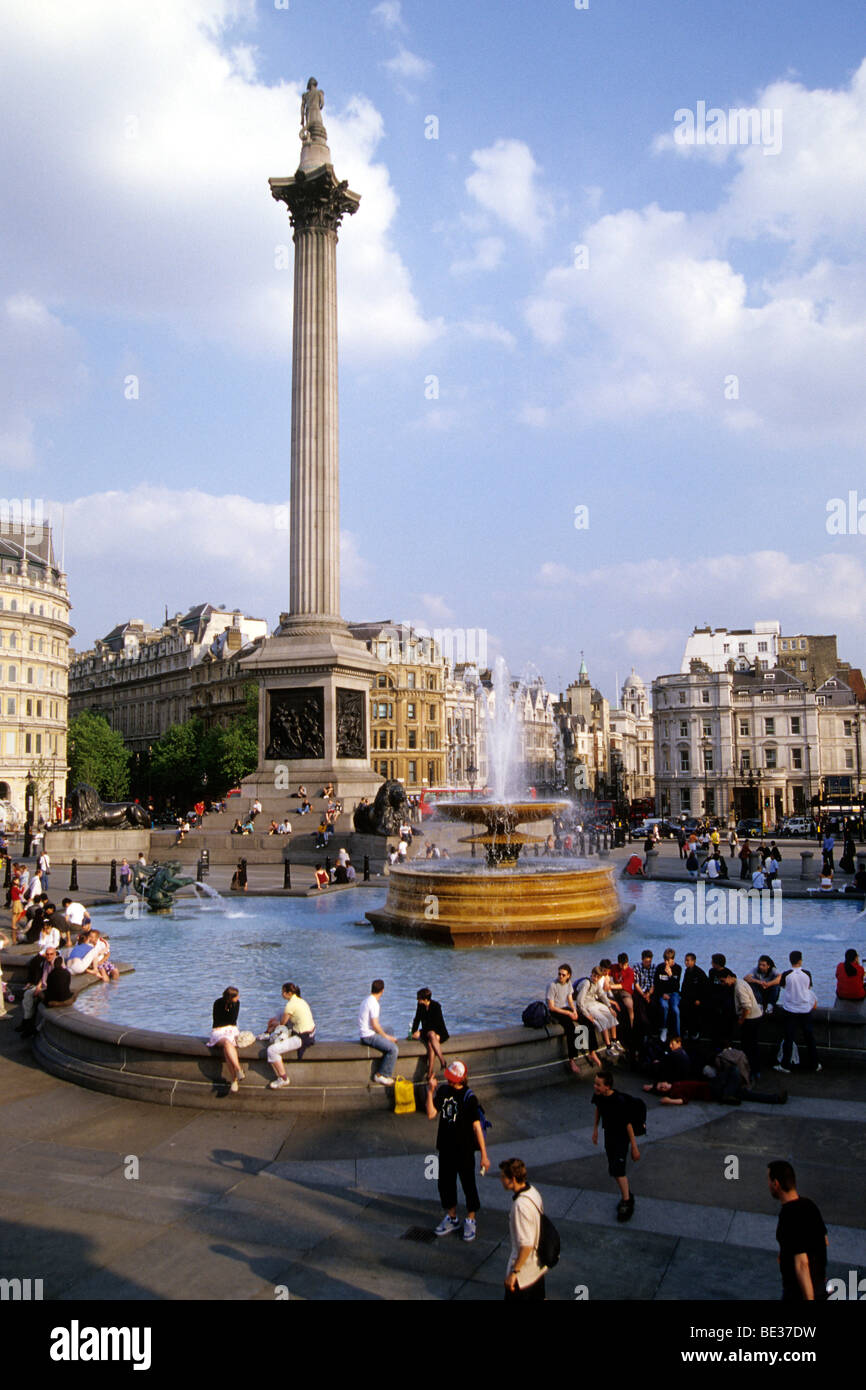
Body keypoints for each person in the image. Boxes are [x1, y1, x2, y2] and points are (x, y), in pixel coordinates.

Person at [426, 1060, 490, 1242]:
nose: (449, 1082)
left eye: (452, 1080)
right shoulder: (444, 1091)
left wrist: (484, 1155)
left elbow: (477, 1128)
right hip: (445, 1146)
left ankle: (471, 1218)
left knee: (468, 1183)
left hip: (464, 1148)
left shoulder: (469, 1098)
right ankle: (452, 1217)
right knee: (445, 1183)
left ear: (461, 1080)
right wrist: (430, 1092)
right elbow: (431, 1114)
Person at [768, 1160, 828, 1302]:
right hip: (818, 1285)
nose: (768, 1185)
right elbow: (824, 1241)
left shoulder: (789, 1216)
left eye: (769, 1181)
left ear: (776, 1184)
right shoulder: (809, 1205)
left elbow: (802, 1264)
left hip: (798, 1292)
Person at [591, 1069, 640, 1222]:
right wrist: (595, 1129)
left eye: (598, 1085)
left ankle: (626, 1200)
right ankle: (627, 1196)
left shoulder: (618, 1101)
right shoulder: (599, 1097)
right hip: (609, 1136)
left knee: (618, 1170)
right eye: (595, 1084)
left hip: (621, 1138)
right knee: (613, 1169)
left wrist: (634, 1146)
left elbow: (628, 1125)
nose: (595, 1087)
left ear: (607, 1086)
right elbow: (598, 1109)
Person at [499, 1158, 547, 1301]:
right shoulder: (533, 1192)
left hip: (524, 1275)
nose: (501, 1180)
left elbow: (526, 1245)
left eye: (503, 1176)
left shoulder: (520, 1206)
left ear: (512, 1179)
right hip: (537, 1268)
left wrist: (514, 1273)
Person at [774, 951, 820, 1074]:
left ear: (790, 960)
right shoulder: (807, 974)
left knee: (789, 1038)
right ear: (800, 960)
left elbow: (783, 986)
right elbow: (808, 988)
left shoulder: (786, 974)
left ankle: (785, 1065)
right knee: (809, 1037)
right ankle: (815, 1064)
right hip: (805, 1009)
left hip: (791, 1009)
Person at [263, 982, 316, 1088]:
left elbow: (281, 1025)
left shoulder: (290, 1005)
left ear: (289, 993)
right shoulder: (301, 1001)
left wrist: (273, 1025)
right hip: (311, 1034)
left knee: (271, 1050)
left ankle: (283, 1078)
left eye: (283, 992)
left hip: (302, 1037)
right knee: (280, 1014)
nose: (281, 994)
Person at [717, 967, 763, 1077]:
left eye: (723, 981)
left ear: (729, 977)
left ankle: (751, 1071)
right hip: (755, 1017)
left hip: (750, 1019)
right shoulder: (741, 982)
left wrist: (740, 1021)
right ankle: (754, 1070)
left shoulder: (739, 988)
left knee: (748, 1046)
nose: (723, 984)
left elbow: (746, 1007)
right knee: (752, 1046)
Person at [358, 979, 399, 1085]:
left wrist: (386, 1035)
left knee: (389, 1029)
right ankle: (381, 1074)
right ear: (382, 991)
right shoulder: (374, 1004)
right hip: (368, 1036)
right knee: (394, 1049)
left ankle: (387, 1057)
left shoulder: (366, 1000)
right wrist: (386, 1037)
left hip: (365, 1032)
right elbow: (375, 1025)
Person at [576, 968, 622, 1055]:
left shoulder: (596, 984)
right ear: (591, 974)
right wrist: (586, 1014)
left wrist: (610, 1007)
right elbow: (579, 1001)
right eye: (594, 976)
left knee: (611, 1015)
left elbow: (602, 995)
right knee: (602, 1019)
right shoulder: (586, 983)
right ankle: (608, 1047)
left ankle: (614, 1041)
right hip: (586, 1005)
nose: (595, 979)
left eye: (598, 977)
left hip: (594, 1003)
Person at [207, 986, 245, 1093]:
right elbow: (218, 1021)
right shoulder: (218, 1003)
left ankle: (234, 1080)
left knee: (227, 1049)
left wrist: (232, 1006)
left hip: (231, 1030)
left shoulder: (237, 1003)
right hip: (219, 1031)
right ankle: (238, 1069)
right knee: (227, 1043)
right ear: (230, 997)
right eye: (236, 996)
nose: (239, 997)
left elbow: (233, 1020)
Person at [411, 987, 449, 1080]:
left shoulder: (436, 1006)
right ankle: (434, 1069)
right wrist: (414, 1031)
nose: (417, 1000)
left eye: (419, 998)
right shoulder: (420, 1006)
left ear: (425, 999)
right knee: (430, 1042)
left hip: (439, 1031)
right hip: (428, 1032)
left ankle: (439, 1063)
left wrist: (420, 1032)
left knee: (432, 1036)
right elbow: (417, 1019)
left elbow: (437, 1024)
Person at [653, 948, 681, 1042]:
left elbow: (676, 986)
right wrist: (662, 994)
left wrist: (670, 975)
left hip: (674, 993)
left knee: (675, 1009)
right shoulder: (659, 967)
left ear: (672, 959)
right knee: (664, 1006)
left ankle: (677, 1035)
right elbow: (656, 983)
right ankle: (664, 1029)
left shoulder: (678, 968)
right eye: (665, 960)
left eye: (668, 960)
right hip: (663, 993)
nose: (666, 962)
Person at [680, 952, 708, 1040]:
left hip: (696, 999)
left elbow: (704, 987)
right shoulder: (687, 971)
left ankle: (695, 1032)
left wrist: (699, 999)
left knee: (695, 1016)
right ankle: (686, 1031)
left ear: (694, 961)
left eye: (689, 961)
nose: (687, 962)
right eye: (686, 960)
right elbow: (684, 986)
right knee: (685, 1014)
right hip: (687, 998)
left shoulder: (699, 973)